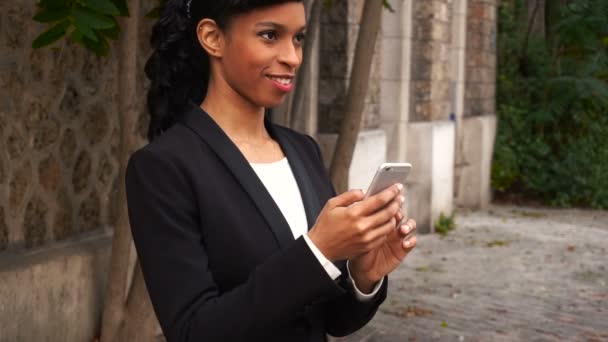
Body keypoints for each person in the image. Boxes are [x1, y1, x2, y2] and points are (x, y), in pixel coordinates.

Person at [125, 1, 417, 341]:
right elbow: (194, 331)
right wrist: (318, 251)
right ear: (212, 38)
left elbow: (331, 321)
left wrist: (363, 277)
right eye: (270, 35)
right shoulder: (163, 168)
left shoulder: (303, 151)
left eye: (298, 39)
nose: (292, 57)